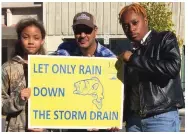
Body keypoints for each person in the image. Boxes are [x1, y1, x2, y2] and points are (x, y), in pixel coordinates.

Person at [118, 3, 184, 132]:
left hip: (161, 118)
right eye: (126, 26)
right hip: (133, 122)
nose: (131, 28)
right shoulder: (129, 52)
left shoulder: (164, 38)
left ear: (146, 20)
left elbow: (173, 67)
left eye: (135, 22)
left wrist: (133, 59)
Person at [55, 11, 119, 132]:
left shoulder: (109, 58)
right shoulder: (65, 49)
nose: (82, 35)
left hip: (99, 122)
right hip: (73, 119)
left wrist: (113, 120)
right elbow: (61, 75)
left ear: (95, 31)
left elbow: (113, 93)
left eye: (87, 30)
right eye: (78, 31)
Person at [1, 18, 47, 132]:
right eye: (26, 37)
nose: (31, 41)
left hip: (42, 129)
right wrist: (18, 99)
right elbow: (1, 104)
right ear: (19, 39)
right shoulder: (8, 68)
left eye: (36, 38)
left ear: (42, 40)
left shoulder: (50, 68)